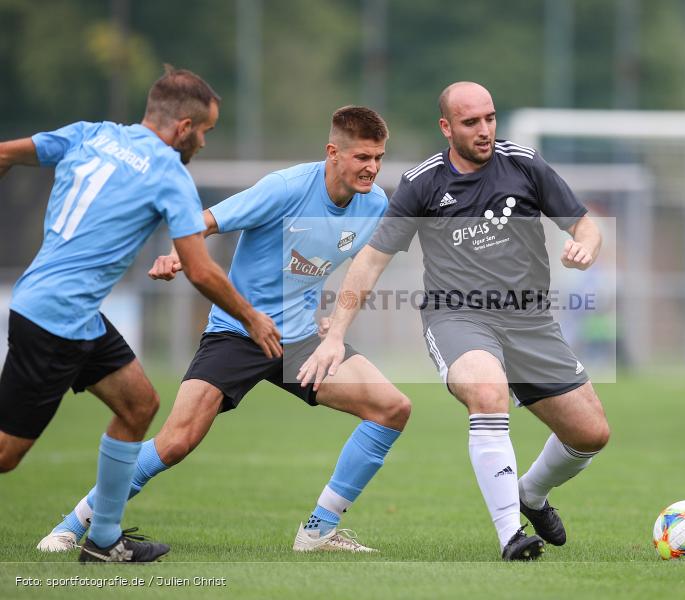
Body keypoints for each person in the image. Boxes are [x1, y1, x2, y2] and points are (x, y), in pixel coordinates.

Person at [37, 106, 411, 555]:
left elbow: (360, 269)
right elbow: (207, 221)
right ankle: (70, 525)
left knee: (392, 407)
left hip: (299, 341)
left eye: (379, 158)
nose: (372, 168)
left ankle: (318, 530)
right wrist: (180, 256)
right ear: (333, 152)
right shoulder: (286, 187)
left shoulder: (374, 205)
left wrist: (334, 318)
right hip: (239, 332)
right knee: (176, 442)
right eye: (362, 157)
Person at [299, 82, 610, 561]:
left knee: (590, 434)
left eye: (489, 118)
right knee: (488, 391)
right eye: (471, 122)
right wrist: (336, 334)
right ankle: (511, 536)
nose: (484, 130)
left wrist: (586, 246)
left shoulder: (524, 164)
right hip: (457, 317)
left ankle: (530, 494)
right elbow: (371, 261)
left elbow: (583, 223)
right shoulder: (424, 182)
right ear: (446, 127)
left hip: (530, 321)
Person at [0, 66, 281, 563]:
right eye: (206, 131)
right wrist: (251, 316)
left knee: (139, 406)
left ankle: (103, 538)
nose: (205, 144)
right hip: (55, 321)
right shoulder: (170, 175)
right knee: (7, 454)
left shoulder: (91, 135)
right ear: (183, 128)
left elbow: (4, 152)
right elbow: (199, 270)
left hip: (68, 311)